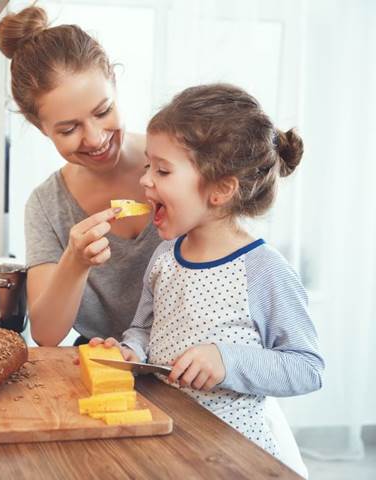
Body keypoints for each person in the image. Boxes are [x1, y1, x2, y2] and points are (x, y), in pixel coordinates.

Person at [91, 84, 324, 468]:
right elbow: (146, 328)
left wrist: (228, 361)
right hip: (171, 446)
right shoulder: (165, 256)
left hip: (235, 459)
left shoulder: (264, 270)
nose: (146, 180)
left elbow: (307, 368)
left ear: (221, 190)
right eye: (149, 165)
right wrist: (130, 351)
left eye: (163, 170)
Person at [0, 6, 161, 346]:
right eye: (69, 129)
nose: (96, 138)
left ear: (114, 83)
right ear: (41, 128)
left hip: (195, 372)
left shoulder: (181, 164)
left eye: (103, 111)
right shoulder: (47, 206)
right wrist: (75, 261)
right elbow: (46, 335)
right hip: (103, 371)